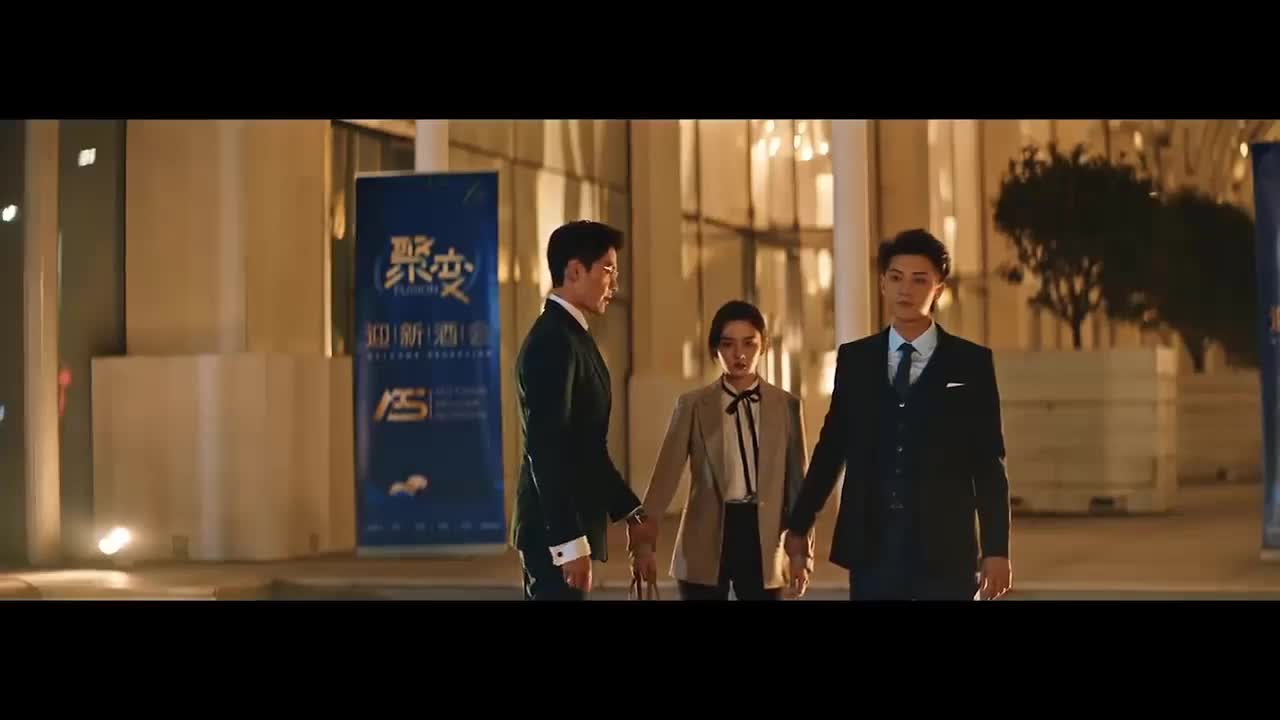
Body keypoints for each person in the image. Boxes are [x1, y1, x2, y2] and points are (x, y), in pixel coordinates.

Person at [783, 228, 1012, 601]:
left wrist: (996, 549)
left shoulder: (971, 363)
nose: (906, 289)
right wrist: (799, 524)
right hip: (873, 545)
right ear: (882, 284)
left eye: (919, 280)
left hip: (946, 549)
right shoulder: (856, 360)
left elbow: (988, 463)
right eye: (896, 278)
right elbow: (832, 449)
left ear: (938, 289)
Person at [511, 220, 657, 600]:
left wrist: (630, 510)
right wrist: (567, 542)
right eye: (608, 270)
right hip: (553, 532)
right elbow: (545, 447)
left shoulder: (574, 336)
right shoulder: (552, 341)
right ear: (575, 271)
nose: (615, 284)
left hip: (569, 527)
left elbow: (587, 446)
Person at [630, 300, 812, 600]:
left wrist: (801, 554)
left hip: (764, 538)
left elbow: (797, 487)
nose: (739, 354)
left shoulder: (787, 406)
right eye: (728, 344)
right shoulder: (693, 405)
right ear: (716, 349)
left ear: (763, 346)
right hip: (704, 537)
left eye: (749, 344)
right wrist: (643, 546)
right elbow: (664, 479)